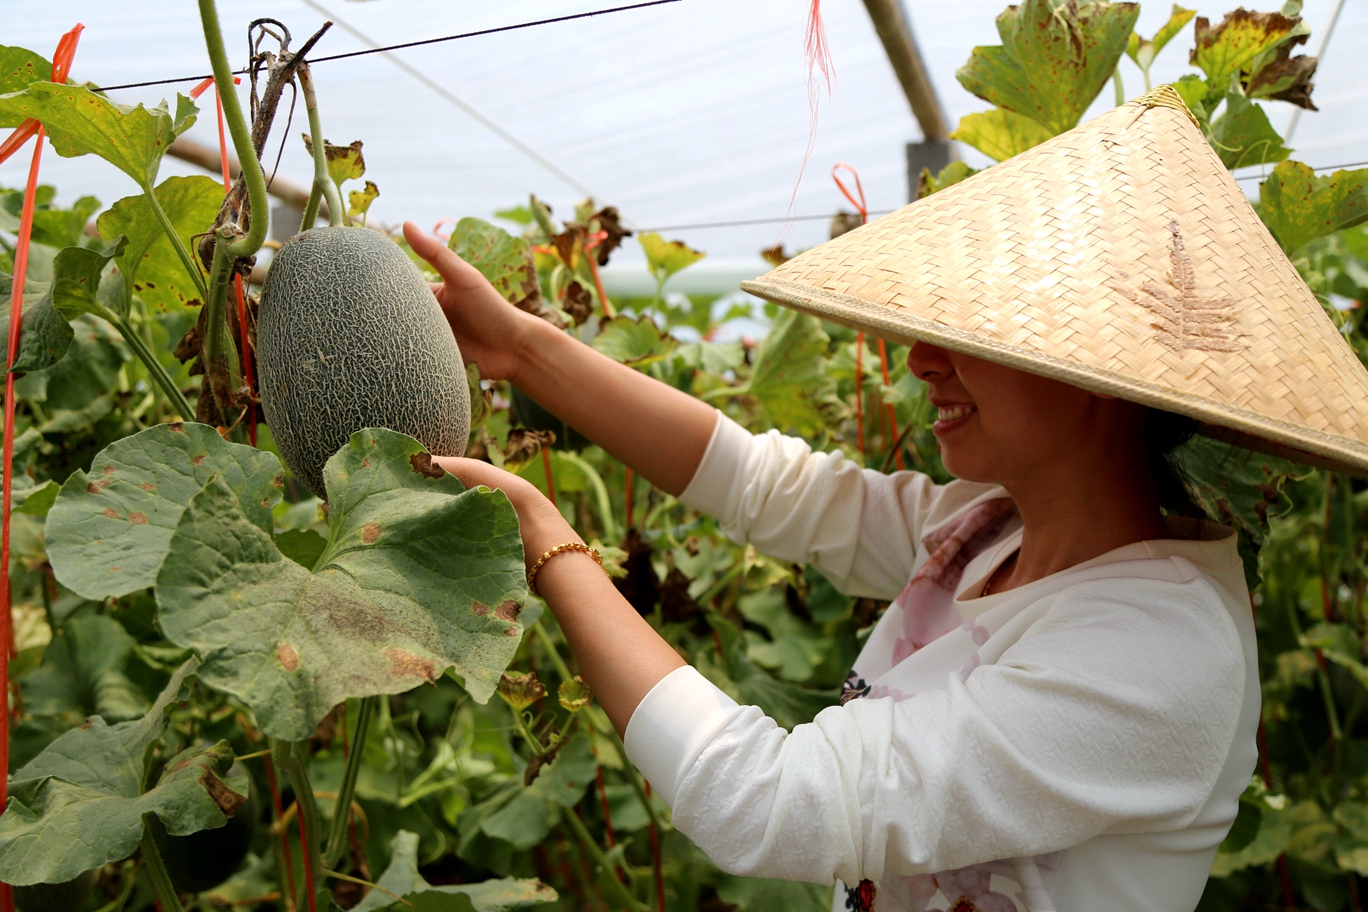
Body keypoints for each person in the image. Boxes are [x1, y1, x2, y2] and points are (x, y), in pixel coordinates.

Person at [401, 87, 1368, 912]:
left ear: (1098, 376)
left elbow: (767, 802)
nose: (922, 361)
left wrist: (544, 535)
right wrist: (525, 349)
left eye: (974, 332)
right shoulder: (988, 526)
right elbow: (763, 484)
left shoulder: (1156, 654)